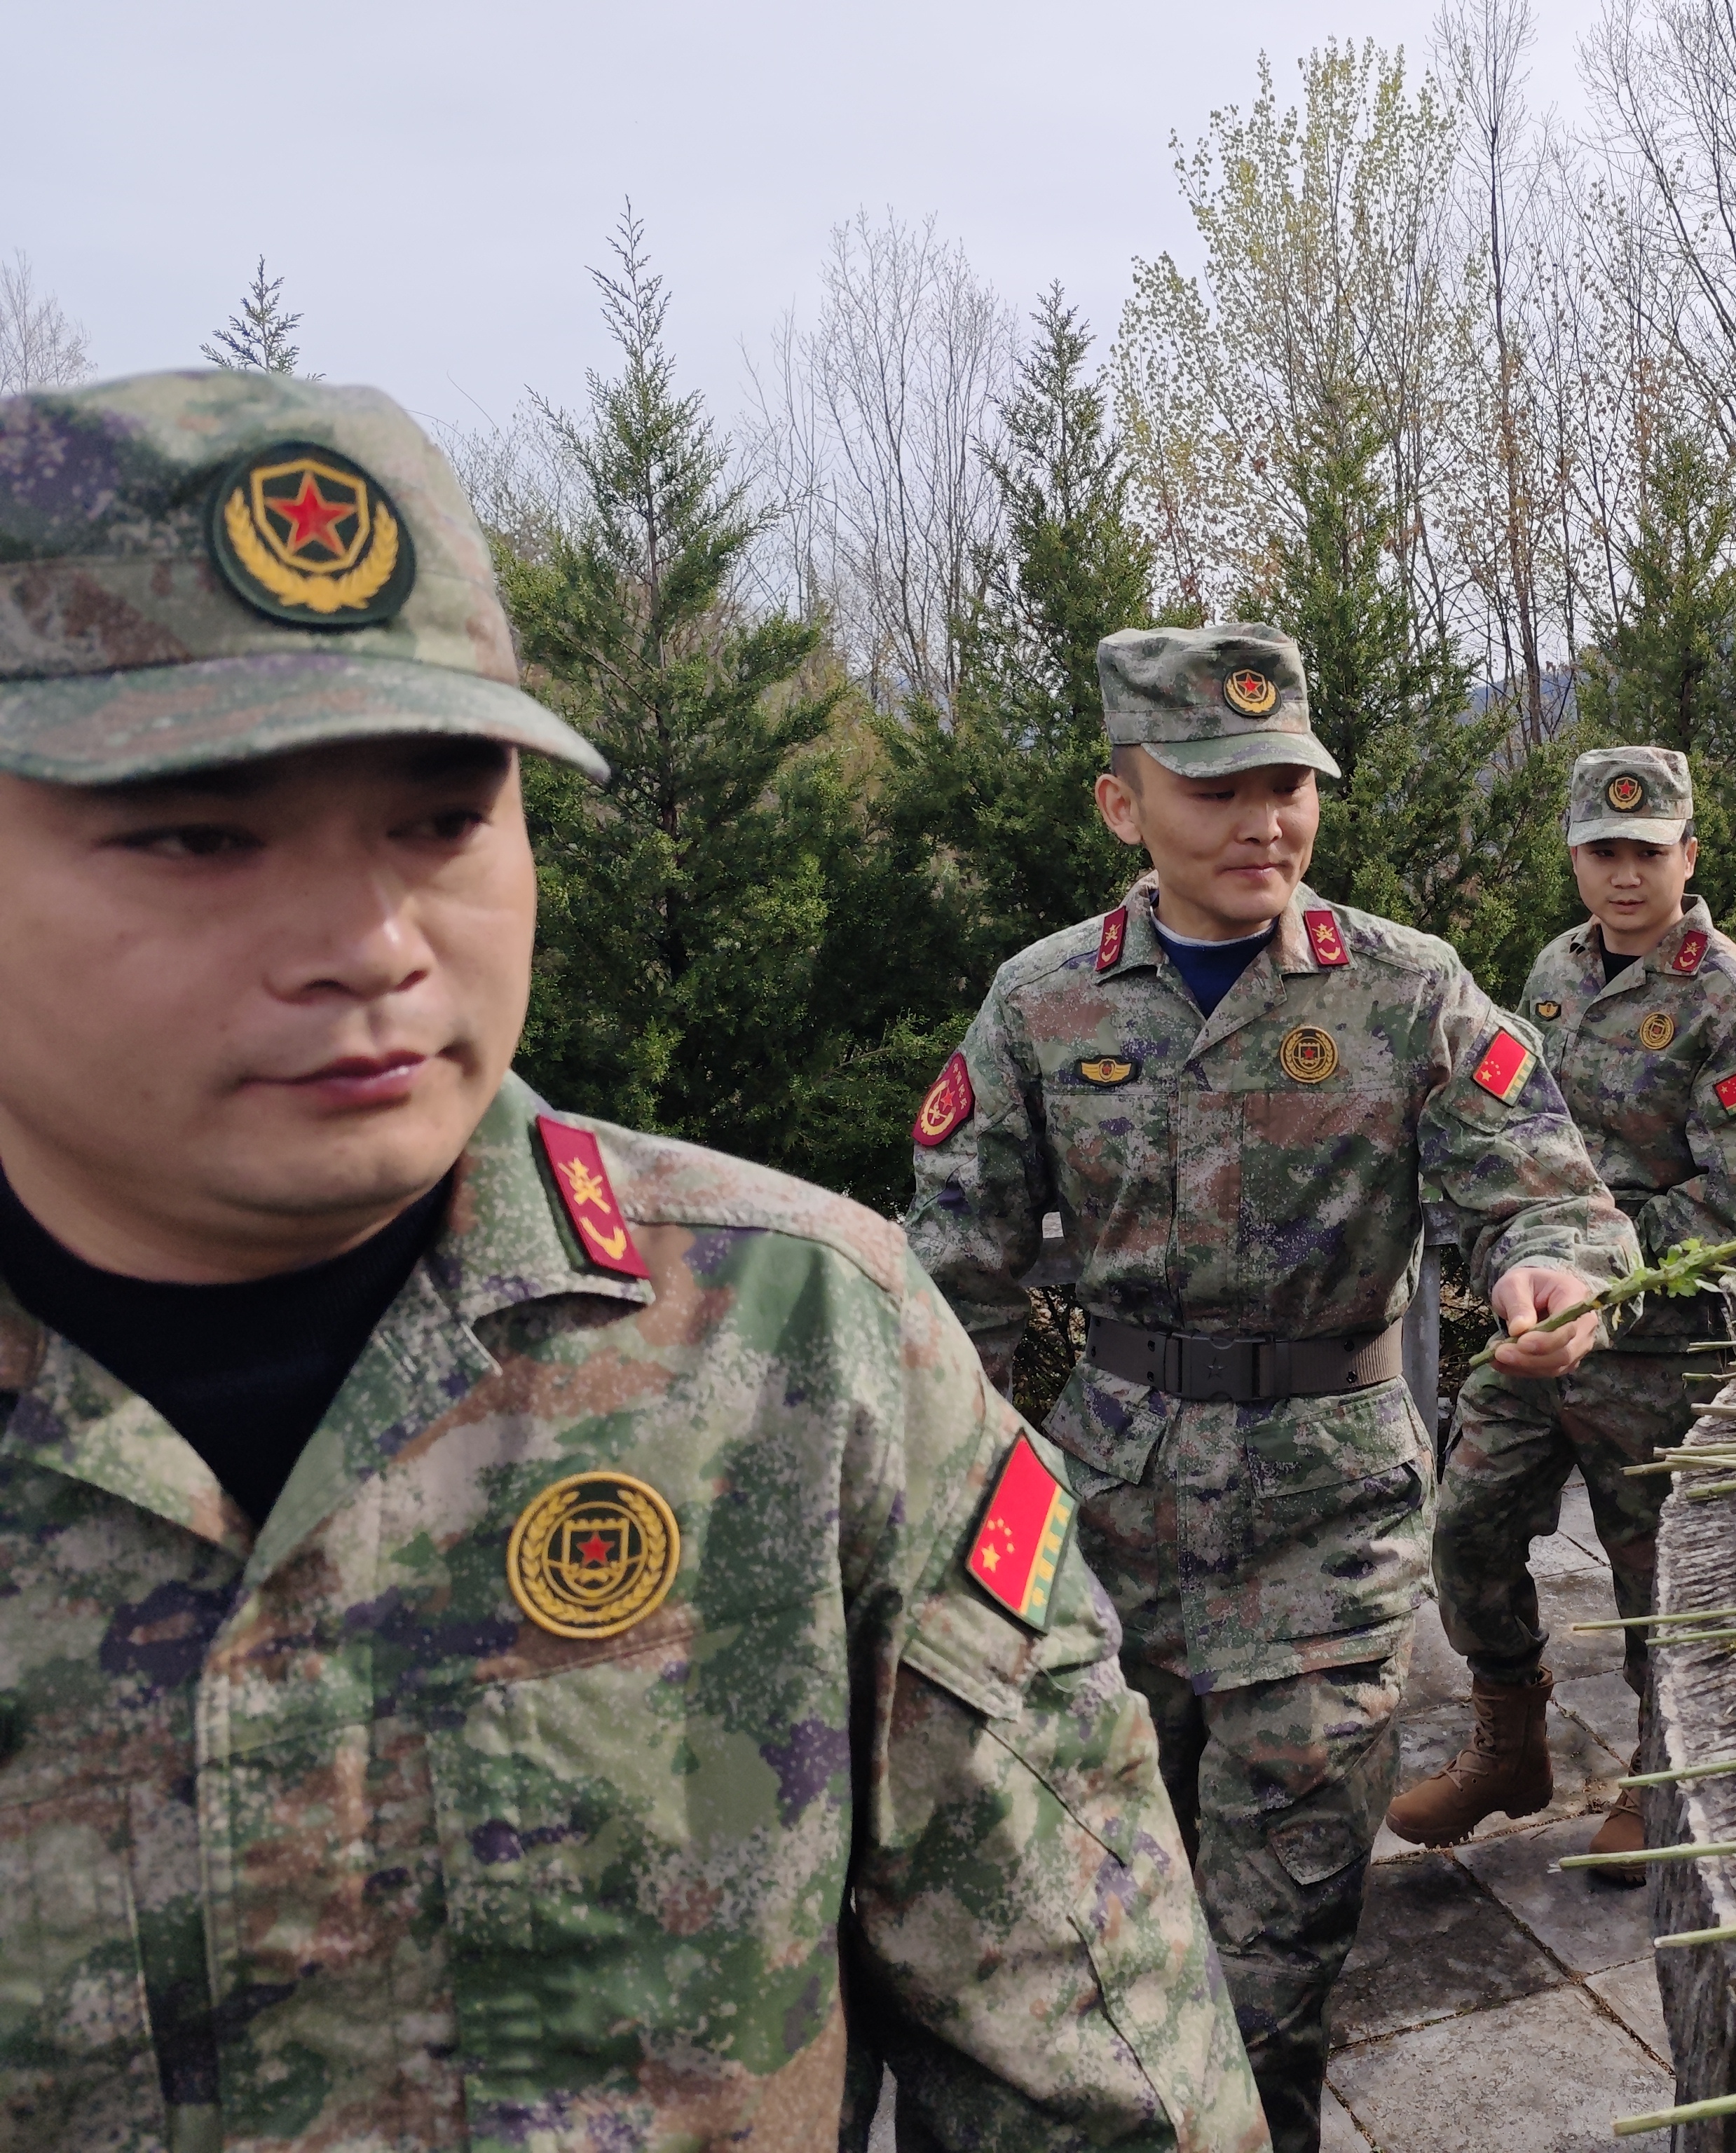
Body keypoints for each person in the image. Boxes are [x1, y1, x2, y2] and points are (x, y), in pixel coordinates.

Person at [0, 371, 1265, 2153]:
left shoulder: (794, 1345)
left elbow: (1101, 2072)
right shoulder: (1040, 1007)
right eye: (199, 833)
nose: (368, 940)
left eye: (441, 817)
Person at [908, 624, 1635, 2153]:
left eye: (1289, 785)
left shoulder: (1398, 989)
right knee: (1106, 1945)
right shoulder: (1043, 1004)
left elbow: (1546, 1194)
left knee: (1267, 1985)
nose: (1265, 823)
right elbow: (952, 1276)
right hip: (1101, 1534)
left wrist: (1552, 1269)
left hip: (1329, 1532)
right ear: (1124, 806)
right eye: (1217, 786)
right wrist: (947, 1513)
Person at [1387, 747, 1736, 1881]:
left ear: (1688, 856)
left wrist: (1600, 1279)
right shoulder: (1554, 971)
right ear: (1574, 856)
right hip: (1540, 1339)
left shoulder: (1731, 997)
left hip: (1664, 1347)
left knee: (1652, 1581)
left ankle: (1655, 1781)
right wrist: (1522, 1261)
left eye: (1647, 852)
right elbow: (1515, 1144)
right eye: (1604, 851)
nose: (1625, 874)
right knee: (1464, 1521)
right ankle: (1508, 1739)